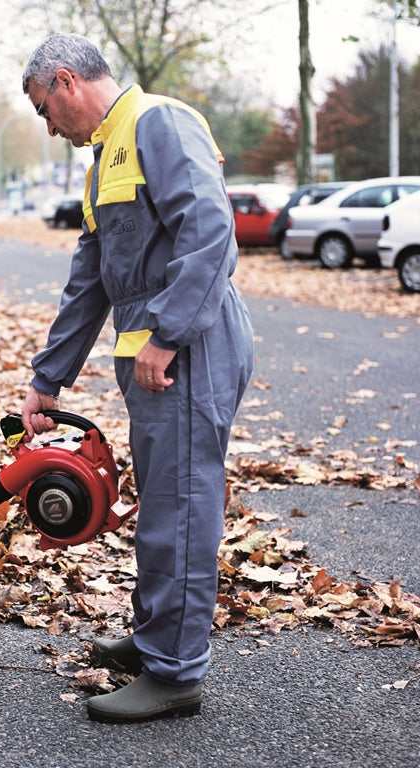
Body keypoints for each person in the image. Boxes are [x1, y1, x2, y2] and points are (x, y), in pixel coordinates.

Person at [20, 33, 254, 723]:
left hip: (188, 347)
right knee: (162, 499)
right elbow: (89, 282)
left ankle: (176, 674)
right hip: (156, 358)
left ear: (65, 81)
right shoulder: (101, 162)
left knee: (180, 504)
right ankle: (157, 639)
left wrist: (170, 333)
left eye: (44, 109)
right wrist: (47, 380)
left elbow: (211, 231)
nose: (48, 126)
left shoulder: (158, 122)